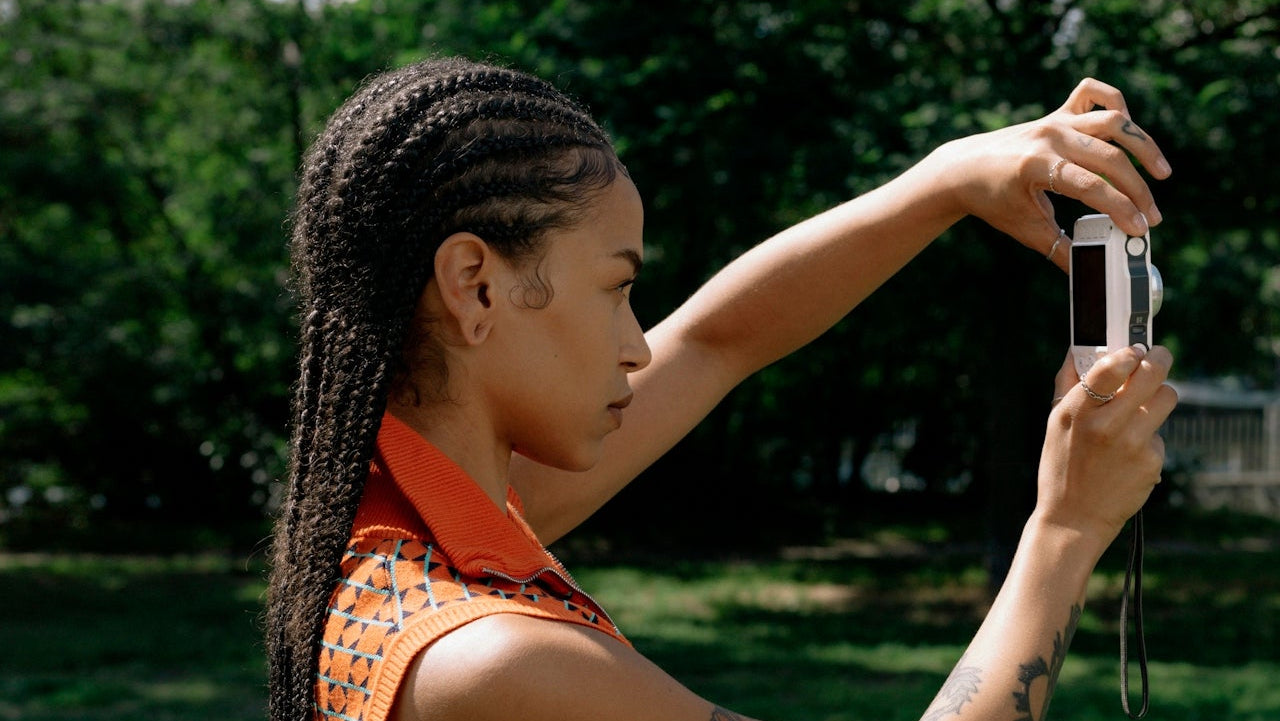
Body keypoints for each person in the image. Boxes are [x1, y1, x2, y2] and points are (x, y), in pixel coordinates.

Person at [265, 56, 1177, 721]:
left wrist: (943, 185)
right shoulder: (495, 663)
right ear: (476, 285)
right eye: (617, 288)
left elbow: (719, 339)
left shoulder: (398, 535)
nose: (636, 346)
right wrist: (1066, 530)